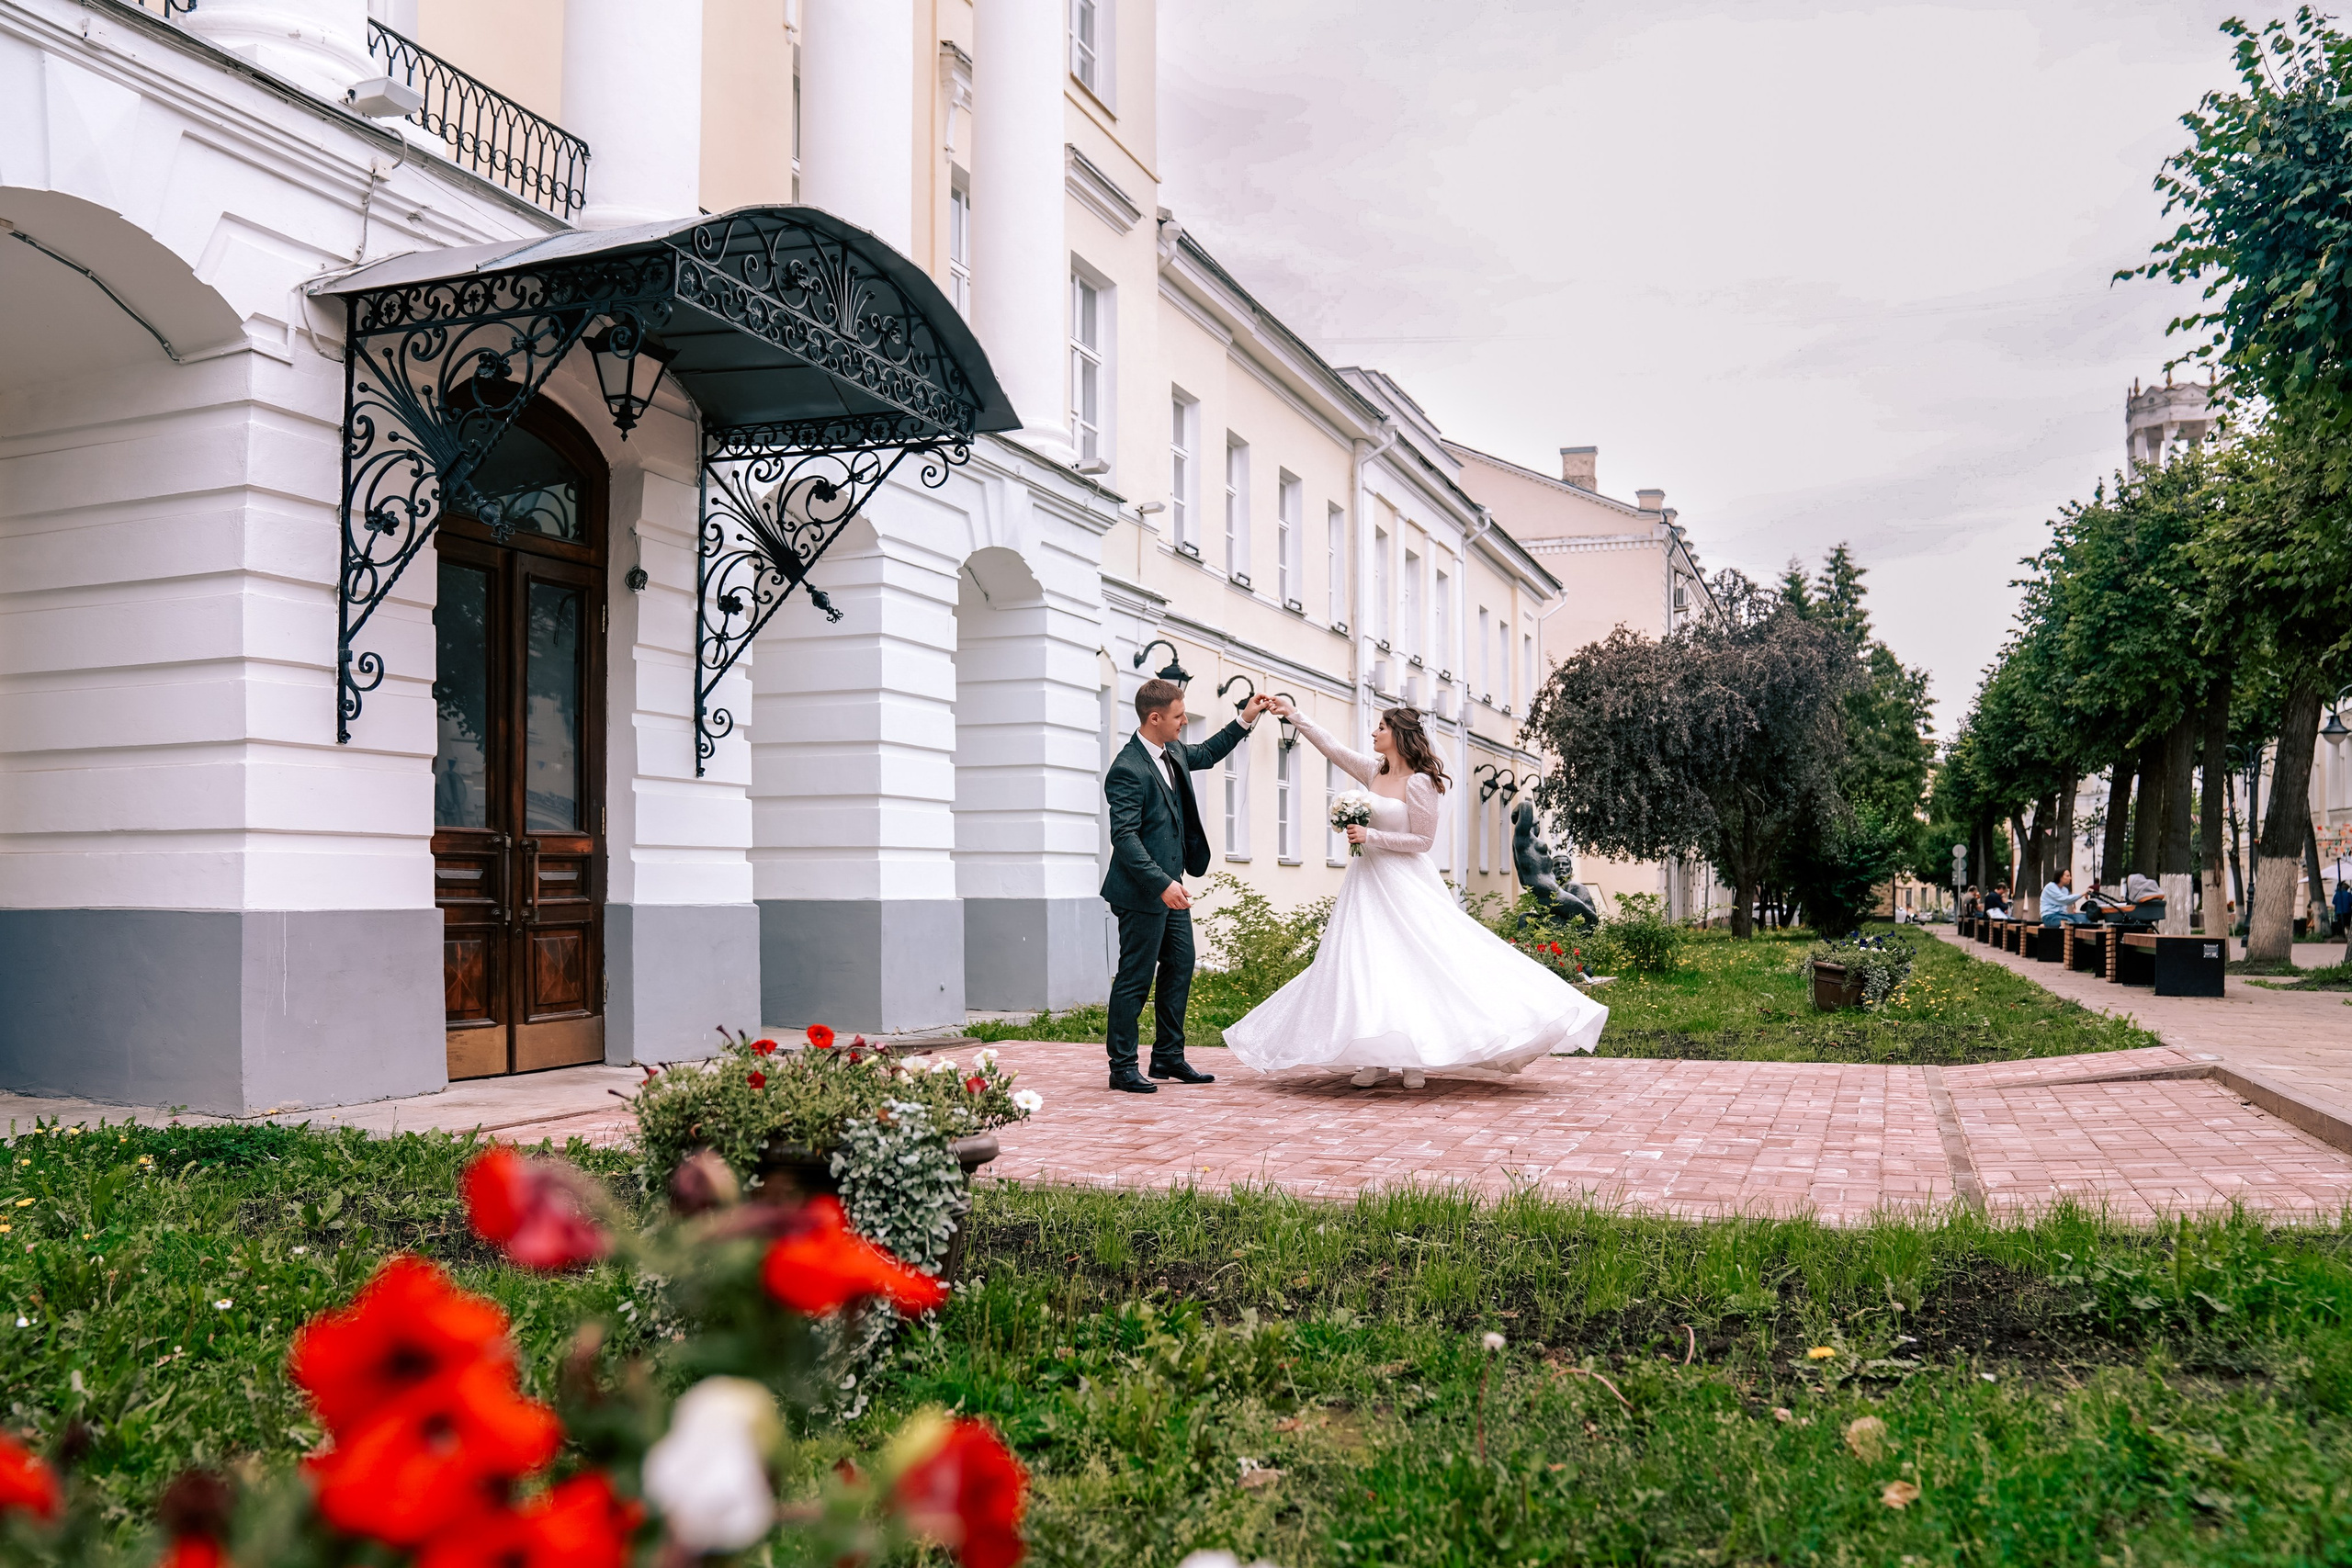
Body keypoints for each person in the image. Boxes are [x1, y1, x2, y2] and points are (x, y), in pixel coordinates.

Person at [1221, 700, 1609, 1089]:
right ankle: (1373, 1058)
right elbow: (1333, 749)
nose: (1374, 733)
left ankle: (1414, 1061)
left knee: (1414, 964)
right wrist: (1294, 714)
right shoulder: (1373, 770)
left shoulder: (1422, 782)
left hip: (1405, 883)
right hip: (1366, 883)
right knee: (1366, 966)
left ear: (1400, 736)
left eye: (1381, 728)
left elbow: (1423, 841)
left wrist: (1372, 835)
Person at [1099, 679, 1272, 1093]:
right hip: (1143, 892)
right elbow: (1124, 837)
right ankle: (1122, 1067)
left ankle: (1168, 1057)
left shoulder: (1172, 751)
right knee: (1135, 978)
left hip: (1172, 887)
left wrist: (1245, 719)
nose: (1183, 723)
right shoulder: (1127, 768)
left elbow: (1208, 753)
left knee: (1179, 966)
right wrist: (1160, 883)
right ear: (1154, 718)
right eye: (1178, 716)